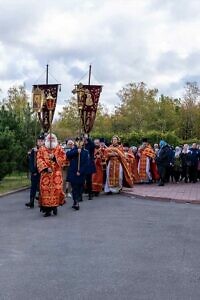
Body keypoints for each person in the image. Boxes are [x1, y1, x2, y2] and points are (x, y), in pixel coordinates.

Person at [37, 133, 66, 217]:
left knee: (56, 191)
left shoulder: (59, 148)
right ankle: (47, 211)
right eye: (49, 140)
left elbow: (63, 159)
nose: (51, 141)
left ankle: (55, 207)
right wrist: (46, 168)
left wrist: (54, 158)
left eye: (52, 139)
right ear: (46, 140)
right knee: (45, 192)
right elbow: (39, 159)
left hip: (56, 174)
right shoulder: (42, 149)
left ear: (55, 140)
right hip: (46, 175)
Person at [66, 138, 89, 210]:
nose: (79, 143)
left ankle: (77, 199)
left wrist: (80, 171)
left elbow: (86, 164)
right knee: (74, 188)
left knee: (80, 188)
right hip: (73, 172)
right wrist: (76, 151)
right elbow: (68, 155)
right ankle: (76, 202)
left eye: (81, 141)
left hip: (80, 173)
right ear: (75, 142)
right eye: (77, 141)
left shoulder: (85, 152)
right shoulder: (73, 150)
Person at [25, 135, 45, 208]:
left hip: (43, 172)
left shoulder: (45, 150)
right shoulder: (34, 150)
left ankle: (42, 201)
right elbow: (31, 162)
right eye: (39, 141)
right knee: (33, 187)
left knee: (42, 187)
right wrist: (33, 170)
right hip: (35, 172)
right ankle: (31, 201)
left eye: (41, 141)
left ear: (44, 142)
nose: (40, 142)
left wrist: (39, 151)